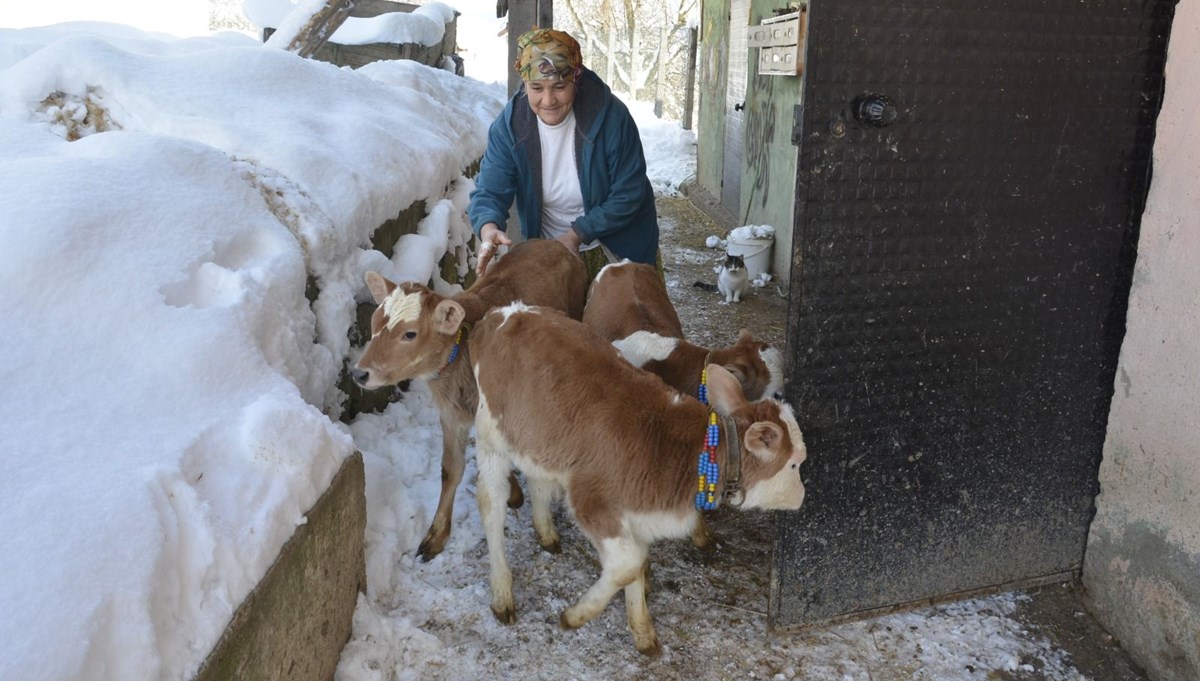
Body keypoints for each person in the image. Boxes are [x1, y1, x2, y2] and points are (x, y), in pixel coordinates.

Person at [468, 27, 659, 281]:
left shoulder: (612, 117)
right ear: (524, 84)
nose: (548, 100)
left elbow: (628, 193)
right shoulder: (511, 127)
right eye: (536, 87)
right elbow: (491, 188)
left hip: (618, 247)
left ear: (575, 79)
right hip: (553, 248)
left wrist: (577, 235)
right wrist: (488, 227)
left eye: (559, 86)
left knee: (630, 318)